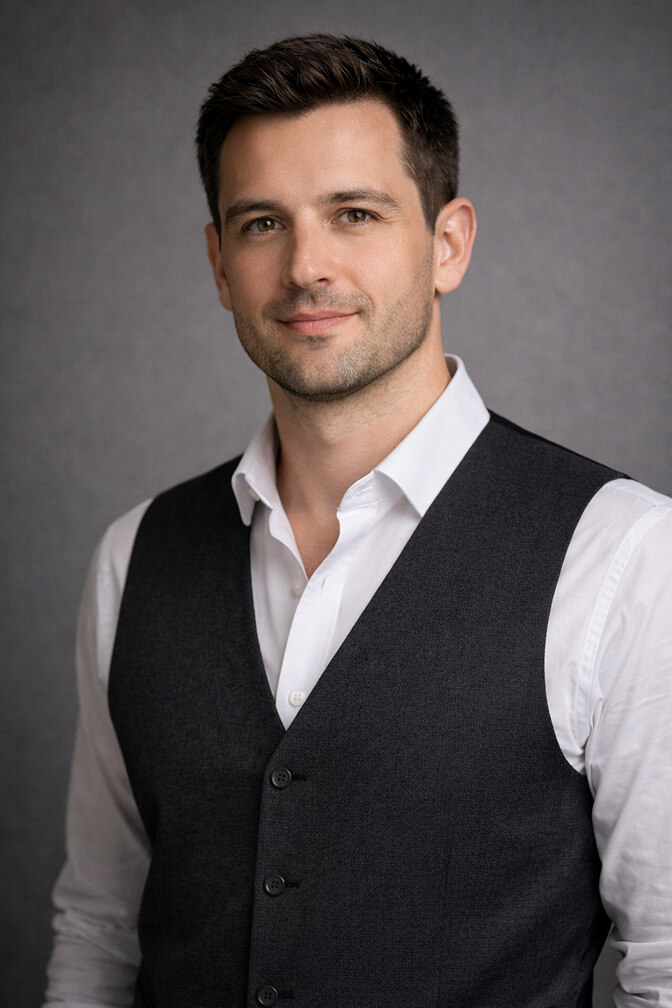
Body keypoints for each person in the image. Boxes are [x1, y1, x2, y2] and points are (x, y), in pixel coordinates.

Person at [44, 34, 671, 1008]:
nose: (306, 267)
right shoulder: (135, 556)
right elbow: (97, 929)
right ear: (218, 264)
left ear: (448, 243)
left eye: (354, 214)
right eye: (261, 223)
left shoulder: (624, 551)